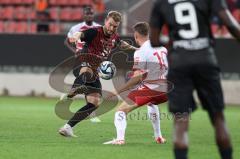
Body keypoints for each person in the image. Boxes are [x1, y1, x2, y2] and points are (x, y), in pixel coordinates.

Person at [149, 0, 240, 159]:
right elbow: (231, 25)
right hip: (206, 59)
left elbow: (154, 40)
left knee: (181, 121)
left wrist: (174, 42)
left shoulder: (161, 3)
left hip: (179, 62)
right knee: (218, 118)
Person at [58, 10, 137, 137]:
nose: (112, 28)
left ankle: (67, 127)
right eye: (110, 24)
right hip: (82, 62)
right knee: (87, 71)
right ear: (106, 21)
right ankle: (72, 90)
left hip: (95, 70)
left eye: (115, 26)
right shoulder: (95, 31)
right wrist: (76, 37)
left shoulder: (114, 36)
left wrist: (138, 49)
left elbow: (122, 44)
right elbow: (81, 33)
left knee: (94, 102)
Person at [103, 22, 168, 145]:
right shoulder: (162, 48)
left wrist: (117, 91)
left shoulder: (140, 52)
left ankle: (120, 139)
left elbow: (137, 78)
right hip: (166, 90)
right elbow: (152, 55)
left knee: (120, 111)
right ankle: (158, 137)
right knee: (152, 103)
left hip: (151, 89)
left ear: (136, 35)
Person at [62, 6, 102, 123]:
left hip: (94, 58)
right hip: (81, 57)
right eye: (87, 13)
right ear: (83, 15)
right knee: (87, 79)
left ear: (93, 14)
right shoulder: (76, 28)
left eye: (91, 14)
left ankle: (86, 105)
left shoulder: (98, 28)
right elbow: (67, 41)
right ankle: (90, 110)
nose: (89, 15)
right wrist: (75, 51)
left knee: (89, 82)